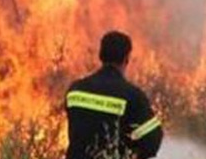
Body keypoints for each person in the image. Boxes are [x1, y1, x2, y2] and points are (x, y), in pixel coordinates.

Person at [65, 31, 163, 159]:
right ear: (126, 58)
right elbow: (153, 140)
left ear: (101, 55)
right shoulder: (132, 96)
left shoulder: (75, 90)